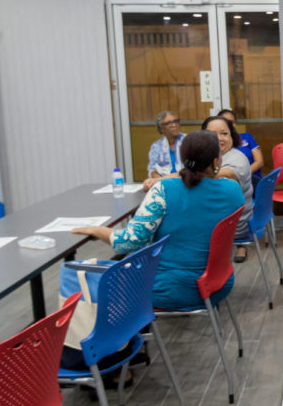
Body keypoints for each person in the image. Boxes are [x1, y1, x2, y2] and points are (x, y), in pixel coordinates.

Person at [73, 130, 244, 311]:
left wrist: (97, 230)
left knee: (88, 278)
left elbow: (129, 243)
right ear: (216, 161)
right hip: (218, 285)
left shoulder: (164, 189)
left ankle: (132, 327)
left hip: (169, 289)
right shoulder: (233, 190)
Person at [202, 115, 254, 262]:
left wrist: (161, 179)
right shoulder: (212, 157)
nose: (219, 138)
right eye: (212, 135)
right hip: (219, 220)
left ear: (232, 136)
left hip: (231, 226)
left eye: (224, 133)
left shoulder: (237, 159)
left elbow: (224, 174)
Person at [217, 107, 264, 179]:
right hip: (229, 180)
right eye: (226, 122)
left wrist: (242, 175)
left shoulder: (247, 137)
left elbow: (259, 162)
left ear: (236, 123)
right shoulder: (218, 142)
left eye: (232, 122)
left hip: (252, 177)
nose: (230, 125)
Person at [147, 111, 185, 178]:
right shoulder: (156, 146)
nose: (174, 125)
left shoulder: (188, 141)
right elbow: (152, 170)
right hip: (163, 181)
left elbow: (191, 169)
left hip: (184, 180)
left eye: (175, 121)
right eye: (169, 123)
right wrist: (160, 180)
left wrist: (164, 179)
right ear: (161, 128)